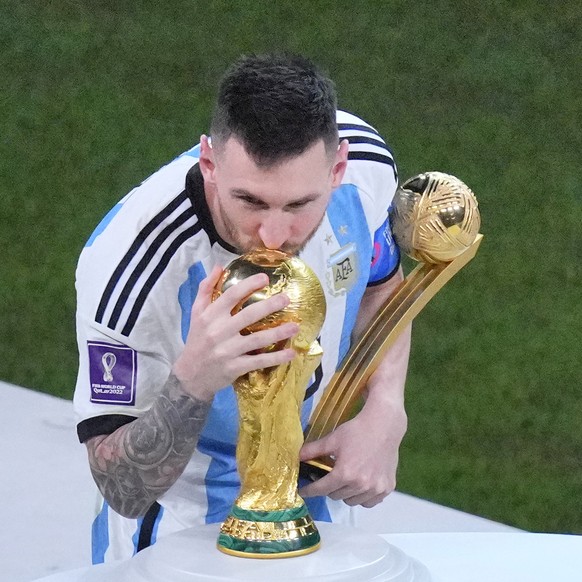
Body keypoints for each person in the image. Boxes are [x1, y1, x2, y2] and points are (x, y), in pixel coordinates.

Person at [74, 53, 410, 563]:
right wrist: (194, 378)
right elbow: (122, 490)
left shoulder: (364, 170)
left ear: (337, 166)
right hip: (175, 547)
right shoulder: (131, 265)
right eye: (250, 201)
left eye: (300, 205)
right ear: (208, 162)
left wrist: (385, 410)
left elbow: (383, 288)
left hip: (319, 521)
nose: (274, 236)